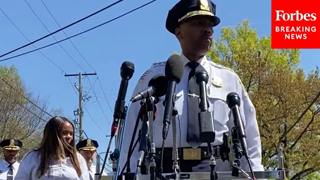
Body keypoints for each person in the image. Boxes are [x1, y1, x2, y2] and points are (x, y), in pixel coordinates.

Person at [119, 0, 264, 174]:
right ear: (178, 32)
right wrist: (128, 173)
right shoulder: (155, 76)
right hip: (164, 171)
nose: (207, 29)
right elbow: (132, 135)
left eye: (210, 24)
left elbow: (248, 133)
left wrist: (255, 174)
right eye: (198, 23)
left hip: (217, 171)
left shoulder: (228, 79)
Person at [15, 116, 90, 180]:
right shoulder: (33, 157)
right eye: (64, 133)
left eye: (71, 134)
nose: (69, 137)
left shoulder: (78, 159)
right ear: (51, 135)